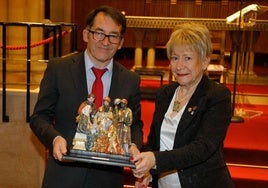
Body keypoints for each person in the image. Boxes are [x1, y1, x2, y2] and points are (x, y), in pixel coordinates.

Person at [30, 6, 143, 188]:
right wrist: (54, 139)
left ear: (121, 42)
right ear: (85, 35)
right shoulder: (59, 69)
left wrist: (134, 146)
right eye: (99, 33)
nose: (105, 42)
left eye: (113, 36)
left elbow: (135, 124)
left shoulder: (130, 80)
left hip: (108, 178)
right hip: (63, 175)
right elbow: (39, 117)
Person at [131, 23, 234, 188]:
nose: (179, 66)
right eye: (175, 57)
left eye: (187, 58)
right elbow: (154, 141)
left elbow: (202, 147)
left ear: (205, 60)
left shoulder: (217, 95)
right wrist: (147, 171)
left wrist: (155, 160)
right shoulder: (165, 93)